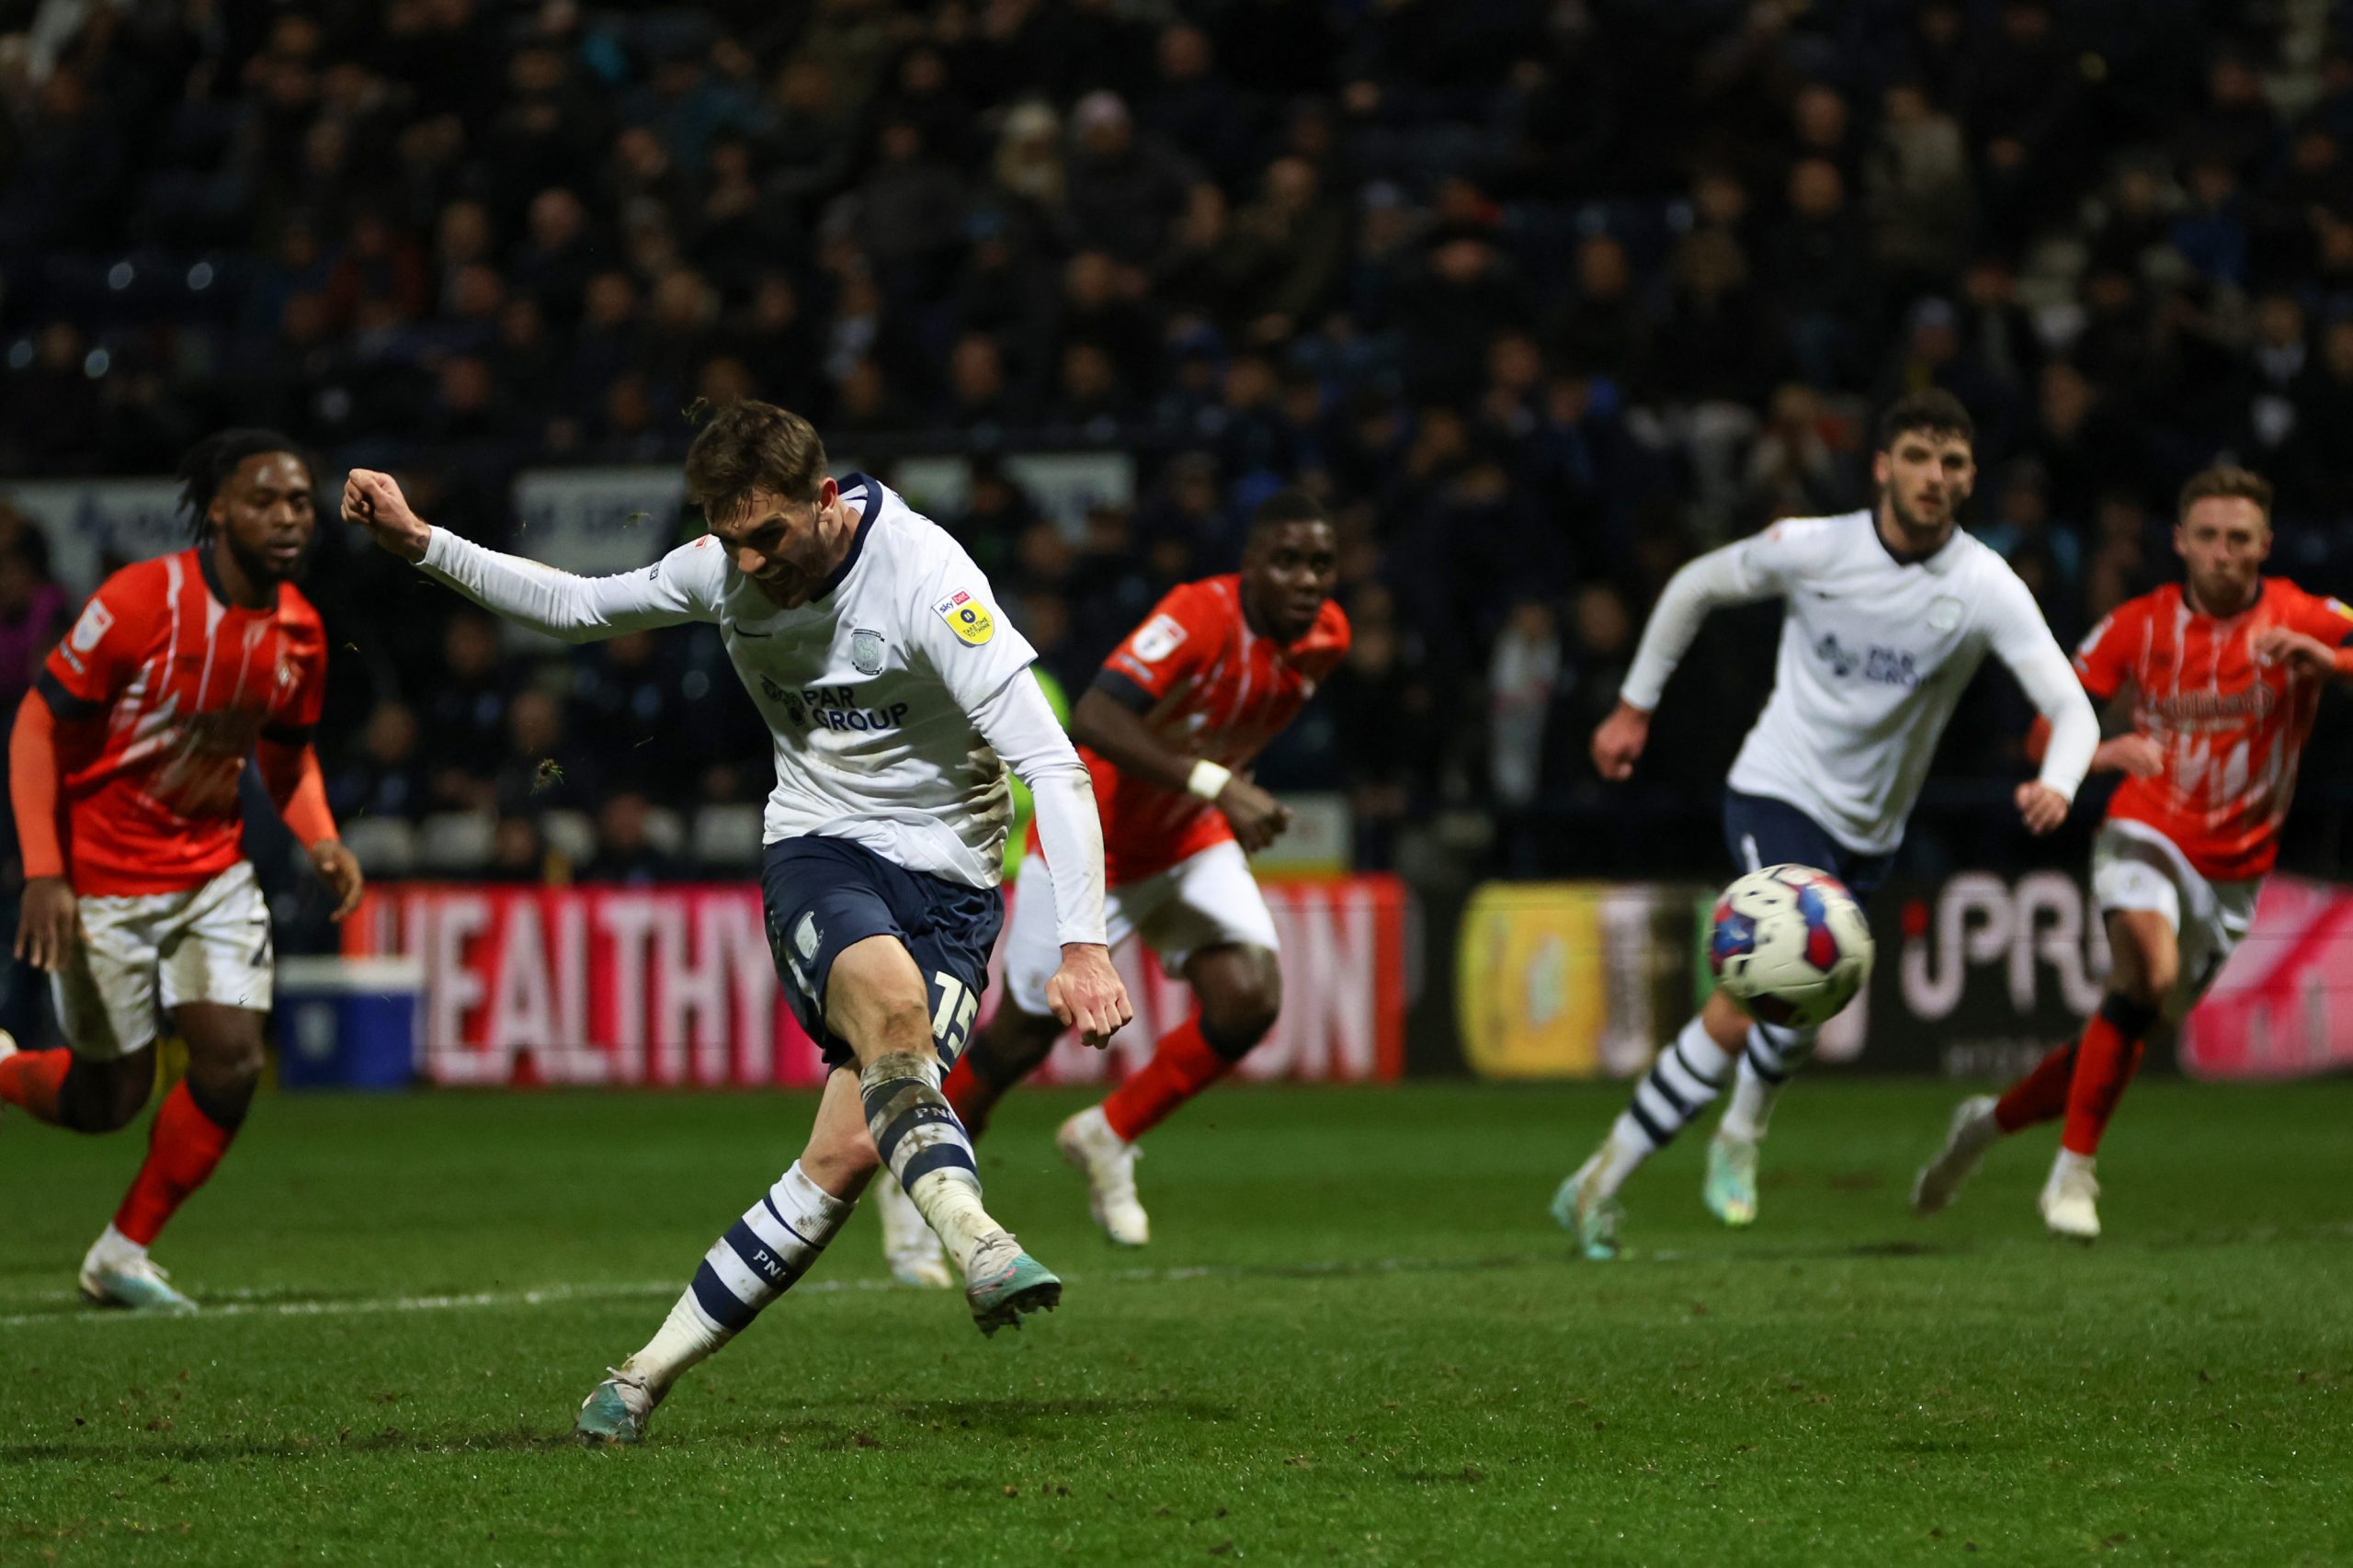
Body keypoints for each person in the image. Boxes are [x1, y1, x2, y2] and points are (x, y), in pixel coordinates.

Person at [341, 401, 1130, 1447]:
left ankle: (640, 1377)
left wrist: (1083, 945)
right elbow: (576, 606)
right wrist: (421, 544)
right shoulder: (723, 570)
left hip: (953, 884)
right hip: (822, 847)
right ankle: (979, 1240)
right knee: (895, 1016)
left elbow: (1054, 767)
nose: (752, 563)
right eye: (729, 538)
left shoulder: (929, 581)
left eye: (768, 534)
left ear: (826, 498)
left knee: (846, 1154)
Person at [1556, 390, 2100, 1259]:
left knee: (1805, 1002)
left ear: (1969, 480)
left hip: (1868, 832)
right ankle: (1600, 1181)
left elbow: (2072, 711)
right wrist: (1633, 706)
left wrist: (2060, 782)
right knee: (1756, 994)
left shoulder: (1985, 586)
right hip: (1776, 790)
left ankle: (1739, 1133)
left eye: (1952, 462)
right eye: (1917, 456)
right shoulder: (1812, 548)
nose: (1934, 476)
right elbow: (1696, 585)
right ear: (1882, 467)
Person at [873, 489, 1347, 1286]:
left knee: (1250, 997)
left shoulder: (1328, 639)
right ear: (1250, 565)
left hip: (1188, 839)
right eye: (1287, 560)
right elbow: (1094, 714)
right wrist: (1217, 783)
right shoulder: (1197, 615)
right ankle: (913, 1178)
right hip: (1094, 844)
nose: (1306, 579)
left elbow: (1228, 721)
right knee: (1020, 1040)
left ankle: (1107, 1132)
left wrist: (1215, 792)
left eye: (1321, 564)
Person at [1914, 466, 2353, 1239]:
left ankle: (1983, 1126)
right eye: (2208, 536)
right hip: (2145, 830)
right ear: (2180, 542)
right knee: (2144, 974)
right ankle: (2072, 1176)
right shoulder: (2137, 626)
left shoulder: (2304, 615)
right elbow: (2044, 731)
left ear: (2266, 545)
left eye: (2239, 538)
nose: (2223, 553)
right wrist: (2103, 752)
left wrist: (2334, 665)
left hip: (2235, 875)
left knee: (2123, 1028)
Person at [0, 431, 362, 1312]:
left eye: (300, 502)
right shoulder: (139, 601)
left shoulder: (301, 633)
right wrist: (44, 871)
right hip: (102, 881)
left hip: (212, 876)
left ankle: (121, 1253)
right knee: (109, 1099)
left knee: (232, 1063)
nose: (288, 518)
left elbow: (286, 758)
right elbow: (37, 726)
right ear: (218, 511)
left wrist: (320, 837)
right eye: (264, 501)